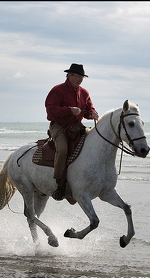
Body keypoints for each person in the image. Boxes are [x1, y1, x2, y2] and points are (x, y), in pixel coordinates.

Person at [45, 63, 99, 201]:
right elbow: (50, 110)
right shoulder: (57, 90)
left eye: (81, 76)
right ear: (68, 75)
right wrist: (69, 110)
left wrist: (93, 113)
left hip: (77, 126)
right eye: (76, 75)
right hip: (59, 126)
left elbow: (89, 108)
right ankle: (60, 184)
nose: (79, 79)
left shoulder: (84, 93)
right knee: (63, 149)